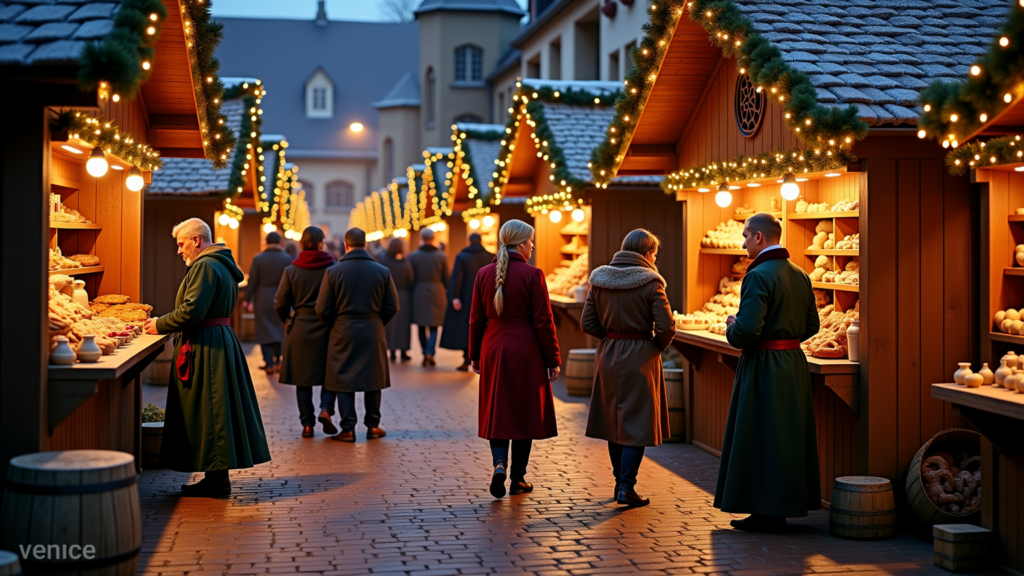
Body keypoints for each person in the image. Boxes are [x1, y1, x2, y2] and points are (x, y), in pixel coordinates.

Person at [144, 218, 271, 496]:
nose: (179, 251)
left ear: (196, 240)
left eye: (181, 244)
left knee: (211, 409)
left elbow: (192, 311)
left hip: (206, 345)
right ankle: (216, 476)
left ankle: (216, 479)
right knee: (216, 408)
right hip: (218, 340)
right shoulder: (221, 264)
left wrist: (160, 324)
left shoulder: (204, 266)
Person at [716, 212, 821, 531]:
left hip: (763, 366)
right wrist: (786, 341)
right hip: (792, 363)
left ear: (759, 237)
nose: (743, 242)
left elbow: (746, 330)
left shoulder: (758, 274)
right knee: (786, 437)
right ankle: (782, 507)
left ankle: (763, 510)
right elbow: (812, 325)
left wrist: (732, 328)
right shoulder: (800, 273)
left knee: (759, 435)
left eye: (746, 236)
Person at [581, 229, 675, 507]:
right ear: (647, 255)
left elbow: (588, 322)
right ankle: (626, 486)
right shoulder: (652, 282)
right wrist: (655, 346)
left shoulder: (599, 279)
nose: (655, 259)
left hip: (609, 353)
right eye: (655, 255)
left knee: (614, 422)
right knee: (636, 423)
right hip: (641, 356)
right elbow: (667, 326)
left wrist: (611, 339)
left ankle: (619, 483)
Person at [469, 220, 560, 498]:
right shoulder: (534, 275)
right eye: (532, 241)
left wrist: (474, 355)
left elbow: (475, 320)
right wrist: (552, 358)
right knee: (523, 412)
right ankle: (518, 478)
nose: (533, 246)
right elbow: (544, 321)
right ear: (521, 243)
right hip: (526, 350)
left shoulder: (484, 273)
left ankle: (499, 464)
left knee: (499, 409)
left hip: (493, 348)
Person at [316, 228, 400, 442]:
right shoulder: (382, 271)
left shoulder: (333, 272)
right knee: (373, 377)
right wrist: (378, 321)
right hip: (373, 328)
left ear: (346, 245)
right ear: (365, 244)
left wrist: (334, 325)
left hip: (342, 328)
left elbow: (321, 308)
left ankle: (348, 428)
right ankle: (373, 426)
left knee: (344, 377)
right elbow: (393, 306)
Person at [274, 226, 337, 438]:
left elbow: (280, 303)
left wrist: (288, 320)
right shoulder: (332, 268)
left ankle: (307, 424)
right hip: (328, 328)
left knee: (303, 379)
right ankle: (326, 408)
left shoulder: (291, 270)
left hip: (300, 328)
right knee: (330, 374)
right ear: (321, 243)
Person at [440, 232, 494, 371]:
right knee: (484, 327)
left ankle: (466, 359)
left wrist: (455, 297)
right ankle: (481, 359)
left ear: (469, 241)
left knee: (466, 328)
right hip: (485, 298)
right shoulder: (490, 256)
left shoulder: (462, 256)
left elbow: (456, 278)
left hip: (466, 297)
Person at [244, 232, 294, 374]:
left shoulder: (258, 258)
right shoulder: (287, 259)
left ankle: (269, 363)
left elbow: (252, 281)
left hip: (263, 297)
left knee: (263, 329)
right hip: (282, 297)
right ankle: (278, 361)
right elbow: (291, 280)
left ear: (266, 242)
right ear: (280, 242)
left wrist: (247, 299)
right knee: (280, 327)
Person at [408, 228, 449, 366]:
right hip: (436, 291)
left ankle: (425, 352)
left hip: (419, 292)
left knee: (420, 325)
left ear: (421, 238)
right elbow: (446, 277)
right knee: (434, 325)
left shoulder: (413, 256)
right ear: (433, 238)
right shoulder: (442, 256)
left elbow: (410, 277)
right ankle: (430, 352)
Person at [377, 237, 414, 362]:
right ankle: (403, 350)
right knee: (403, 324)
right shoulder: (405, 262)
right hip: (403, 295)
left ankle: (391, 350)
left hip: (387, 294)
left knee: (390, 323)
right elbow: (410, 279)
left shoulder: (382, 259)